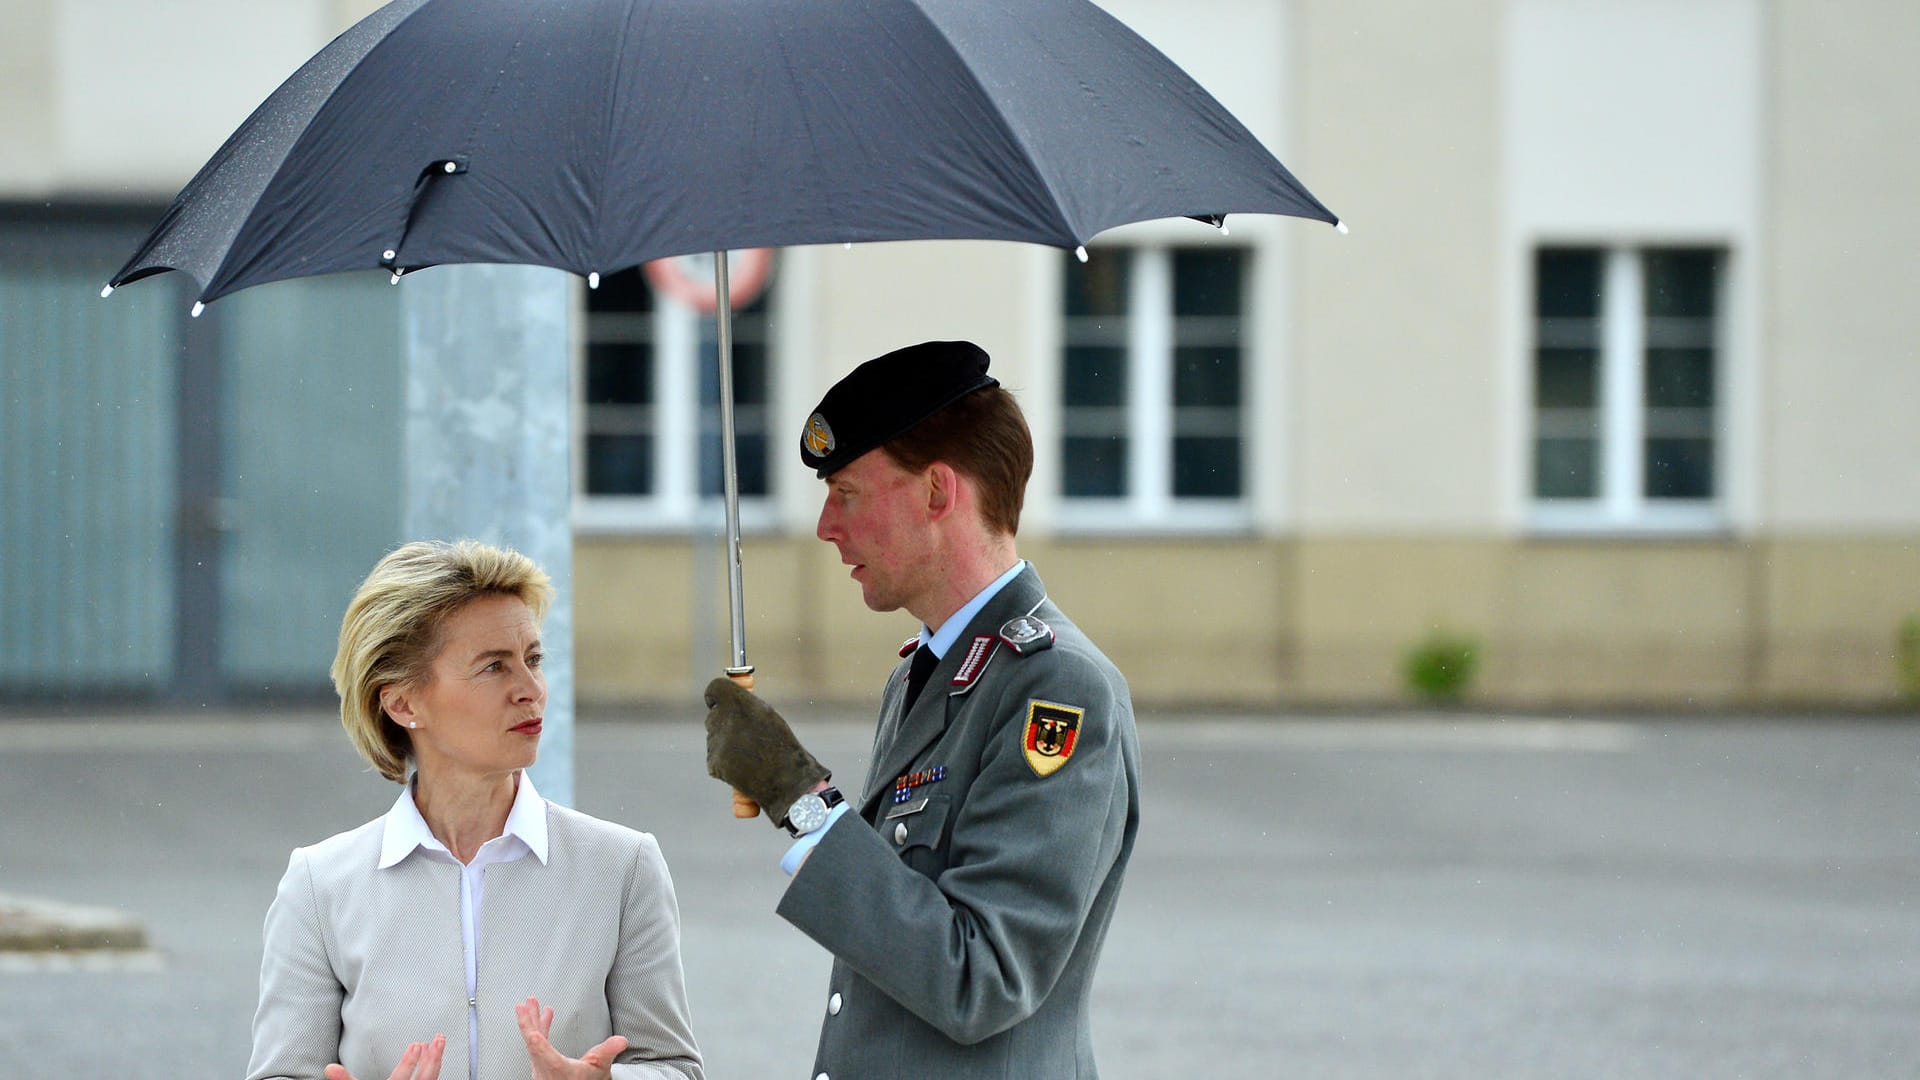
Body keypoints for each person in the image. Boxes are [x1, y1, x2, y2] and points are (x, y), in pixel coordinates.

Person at [704, 340, 1141, 1079]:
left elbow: (983, 978)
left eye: (847, 493)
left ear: (938, 492)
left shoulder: (1058, 690)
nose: (825, 526)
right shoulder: (929, 672)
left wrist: (799, 798)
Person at [246, 540, 703, 1080]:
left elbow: (674, 1069)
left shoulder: (623, 867)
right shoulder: (320, 887)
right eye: (494, 667)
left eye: (533, 660)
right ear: (402, 703)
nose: (531, 690)